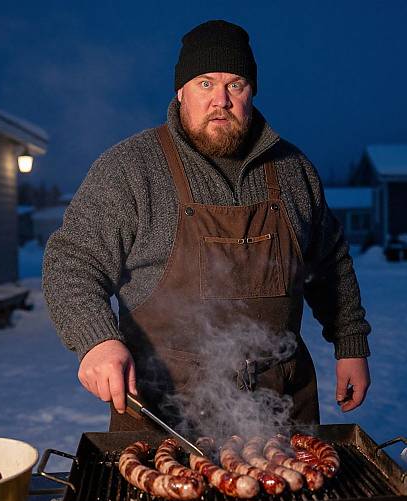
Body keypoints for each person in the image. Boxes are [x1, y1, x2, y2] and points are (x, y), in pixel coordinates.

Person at [43, 20, 371, 433]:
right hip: (165, 410)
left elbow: (331, 263)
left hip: (281, 406)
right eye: (204, 84)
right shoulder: (130, 169)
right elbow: (72, 262)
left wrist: (351, 345)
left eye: (235, 84)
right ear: (180, 91)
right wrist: (96, 340)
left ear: (252, 92)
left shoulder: (294, 171)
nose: (221, 100)